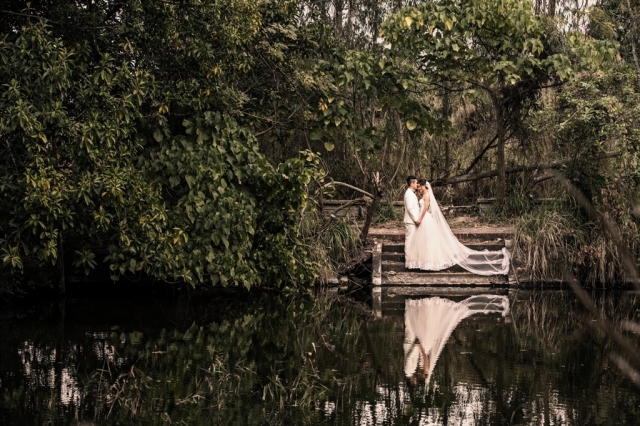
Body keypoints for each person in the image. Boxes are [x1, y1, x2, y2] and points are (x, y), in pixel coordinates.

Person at [405, 180, 510, 275]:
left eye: (420, 186)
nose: (419, 188)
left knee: (428, 240)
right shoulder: (422, 195)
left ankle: (430, 263)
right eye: (417, 186)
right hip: (423, 219)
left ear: (424, 186)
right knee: (425, 241)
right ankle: (424, 262)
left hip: (425, 218)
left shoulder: (427, 195)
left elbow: (424, 210)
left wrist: (420, 218)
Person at [404, 295, 510, 385]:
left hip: (420, 345)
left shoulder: (415, 371)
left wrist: (418, 347)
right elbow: (422, 358)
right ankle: (424, 306)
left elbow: (414, 357)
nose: (416, 380)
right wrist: (419, 346)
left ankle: (424, 306)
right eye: (418, 380)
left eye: (415, 381)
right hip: (422, 346)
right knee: (427, 325)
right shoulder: (424, 370)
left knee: (425, 325)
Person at [403, 176, 421, 254]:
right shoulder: (409, 194)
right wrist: (416, 220)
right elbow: (410, 208)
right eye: (416, 183)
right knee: (409, 241)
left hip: (412, 221)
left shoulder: (411, 193)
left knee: (413, 241)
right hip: (411, 222)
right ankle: (408, 260)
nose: (417, 184)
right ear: (412, 183)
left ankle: (412, 259)